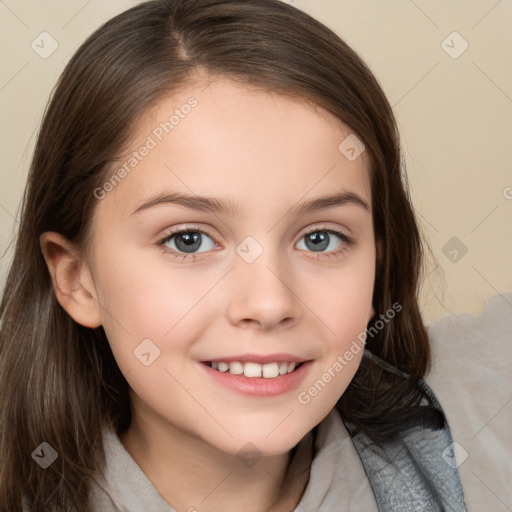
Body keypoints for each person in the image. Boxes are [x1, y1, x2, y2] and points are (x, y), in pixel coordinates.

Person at [0, 1, 467, 510]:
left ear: (378, 264)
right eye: (189, 240)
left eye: (320, 238)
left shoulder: (472, 456)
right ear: (76, 278)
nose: (268, 304)